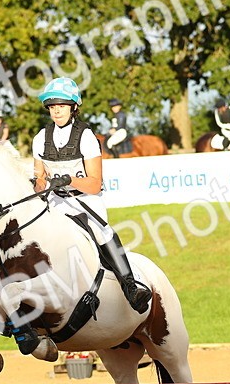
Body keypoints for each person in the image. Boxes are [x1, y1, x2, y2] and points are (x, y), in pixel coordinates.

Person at [31, 77, 152, 313]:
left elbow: (95, 184)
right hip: (55, 200)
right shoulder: (40, 138)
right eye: (53, 106)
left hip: (84, 200)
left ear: (74, 107)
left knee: (101, 231)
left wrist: (68, 180)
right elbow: (39, 179)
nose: (56, 111)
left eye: (62, 106)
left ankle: (131, 286)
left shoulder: (86, 137)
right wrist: (37, 184)